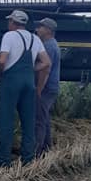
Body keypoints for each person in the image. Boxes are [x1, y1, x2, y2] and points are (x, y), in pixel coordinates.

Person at [0, 10, 51, 167]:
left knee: (6, 121)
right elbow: (46, 62)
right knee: (28, 122)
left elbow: (2, 60)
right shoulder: (35, 39)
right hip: (29, 82)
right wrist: (32, 69)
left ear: (13, 22)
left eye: (9, 21)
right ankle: (28, 159)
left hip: (11, 81)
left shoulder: (9, 36)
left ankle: (3, 161)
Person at [34, 17, 61, 155]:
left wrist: (39, 89)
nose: (37, 29)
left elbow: (46, 69)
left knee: (39, 120)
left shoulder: (48, 46)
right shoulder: (51, 44)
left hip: (46, 88)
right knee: (44, 118)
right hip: (51, 87)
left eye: (41, 27)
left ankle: (36, 153)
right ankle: (47, 148)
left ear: (48, 30)